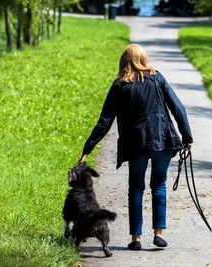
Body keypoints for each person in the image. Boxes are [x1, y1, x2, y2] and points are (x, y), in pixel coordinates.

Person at [79, 43, 193, 250]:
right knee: (159, 185)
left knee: (136, 189)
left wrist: (87, 149)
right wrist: (187, 137)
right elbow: (178, 108)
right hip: (162, 140)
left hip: (136, 144)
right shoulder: (156, 77)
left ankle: (136, 239)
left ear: (123, 61)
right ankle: (159, 233)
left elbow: (105, 121)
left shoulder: (119, 85)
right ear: (143, 59)